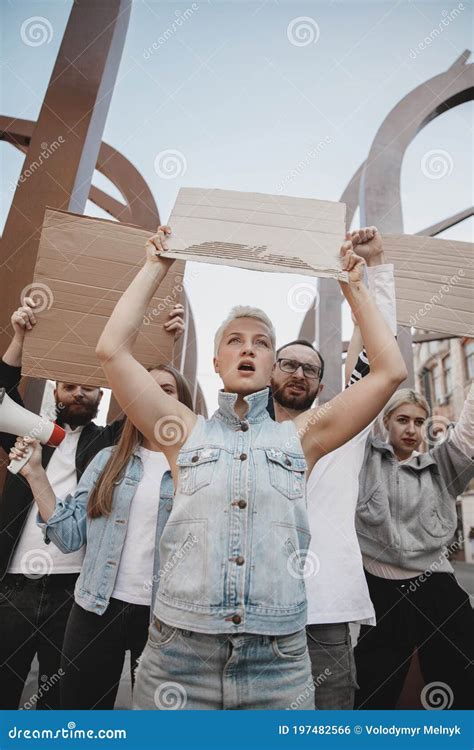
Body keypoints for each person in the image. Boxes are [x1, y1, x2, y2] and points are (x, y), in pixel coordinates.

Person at [94, 223, 407, 710]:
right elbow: (112, 350)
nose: (247, 348)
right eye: (235, 341)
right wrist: (155, 266)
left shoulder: (305, 437)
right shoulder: (183, 431)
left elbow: (389, 371)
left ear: (270, 365)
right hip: (178, 658)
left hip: (279, 664)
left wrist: (355, 286)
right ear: (217, 362)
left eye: (261, 342)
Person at [0, 298, 184, 709]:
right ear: (55, 391)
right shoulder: (29, 433)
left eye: (89, 387)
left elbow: (149, 397)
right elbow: (0, 396)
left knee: (61, 705)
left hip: (76, 592)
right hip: (12, 586)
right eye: (70, 386)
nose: (80, 393)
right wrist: (19, 337)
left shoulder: (110, 446)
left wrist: (163, 345)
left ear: (104, 394)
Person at [270, 226, 397, 709]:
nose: (299, 373)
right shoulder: (240, 436)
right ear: (271, 374)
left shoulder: (343, 433)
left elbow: (377, 358)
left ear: (323, 387)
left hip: (324, 614)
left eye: (311, 369)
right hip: (251, 616)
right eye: (288, 364)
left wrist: (374, 272)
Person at [354, 385, 474, 709]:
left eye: (419, 422)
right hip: (380, 589)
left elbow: (468, 434)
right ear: (386, 422)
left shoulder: (442, 465)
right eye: (402, 420)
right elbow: (354, 405)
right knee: (372, 687)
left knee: (462, 677)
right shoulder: (361, 461)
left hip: (436, 585)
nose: (411, 429)